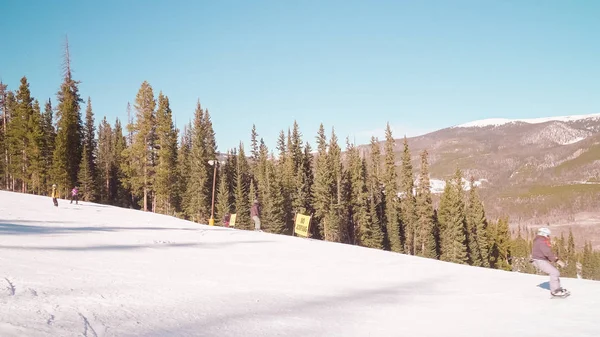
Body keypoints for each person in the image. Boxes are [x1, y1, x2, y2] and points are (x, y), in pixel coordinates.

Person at [531, 227, 568, 297]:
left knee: (555, 272)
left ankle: (557, 289)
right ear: (543, 234)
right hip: (539, 260)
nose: (548, 237)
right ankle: (555, 291)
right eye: (548, 235)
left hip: (538, 260)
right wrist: (557, 261)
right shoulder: (541, 241)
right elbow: (547, 253)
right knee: (554, 272)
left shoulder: (539, 240)